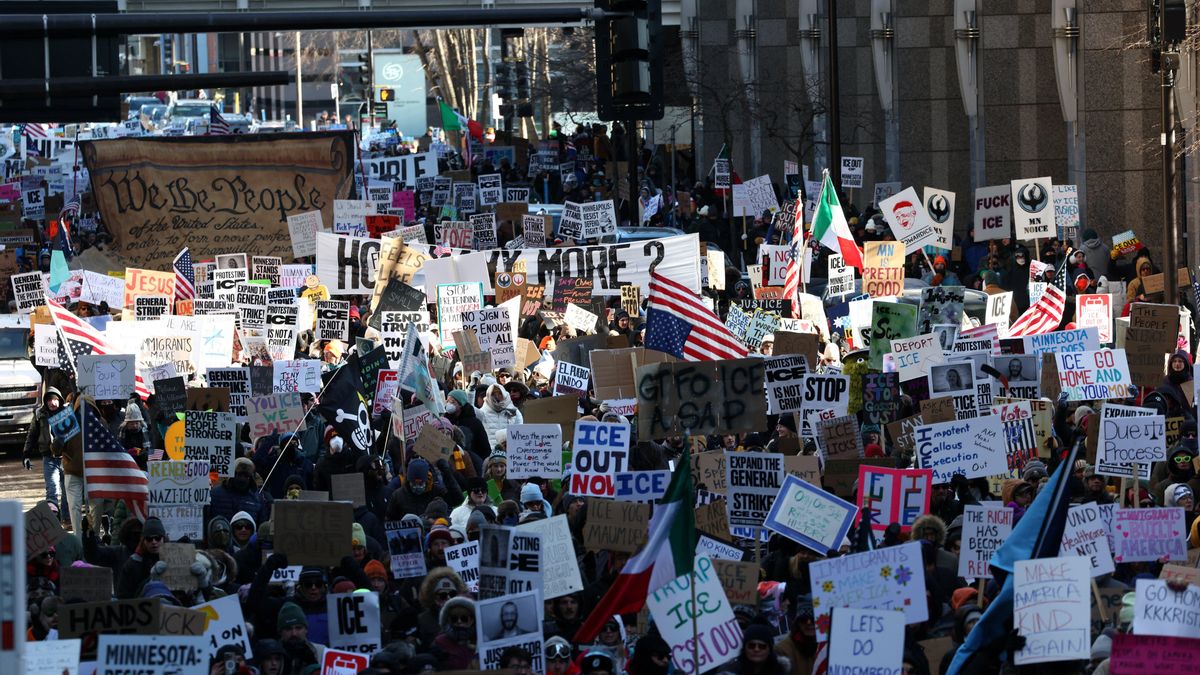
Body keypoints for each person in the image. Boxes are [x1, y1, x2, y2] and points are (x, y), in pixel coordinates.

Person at [23, 387, 66, 520]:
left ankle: (67, 519)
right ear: (45, 402)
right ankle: (53, 521)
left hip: (67, 458)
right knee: (52, 490)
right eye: (50, 400)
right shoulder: (39, 414)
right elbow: (32, 435)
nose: (53, 403)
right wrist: (26, 454)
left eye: (55, 400)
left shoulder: (67, 414)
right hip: (49, 458)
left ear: (60, 400)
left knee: (67, 491)